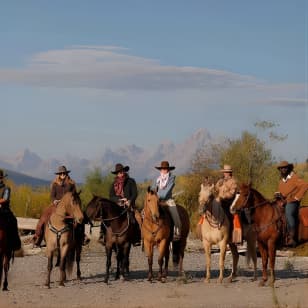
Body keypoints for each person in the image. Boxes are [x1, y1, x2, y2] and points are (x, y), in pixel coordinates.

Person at [33, 165, 90, 246]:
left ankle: (82, 236)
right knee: (44, 216)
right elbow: (52, 195)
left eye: (64, 173)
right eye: (61, 173)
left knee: (80, 215)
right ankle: (38, 236)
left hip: (69, 205)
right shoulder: (55, 184)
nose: (62, 174)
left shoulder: (71, 183)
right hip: (56, 205)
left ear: (66, 173)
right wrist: (55, 201)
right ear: (58, 174)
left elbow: (75, 195)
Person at [99, 163, 141, 246]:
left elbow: (135, 193)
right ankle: (102, 236)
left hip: (128, 205)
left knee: (134, 219)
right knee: (105, 217)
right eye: (118, 172)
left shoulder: (131, 181)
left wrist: (129, 200)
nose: (120, 173)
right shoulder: (114, 184)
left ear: (124, 171)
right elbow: (111, 196)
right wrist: (119, 200)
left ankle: (136, 238)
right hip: (117, 206)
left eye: (121, 171)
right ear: (116, 174)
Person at [276, 160, 308, 247]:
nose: (283, 169)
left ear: (288, 168)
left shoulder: (294, 177)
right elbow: (281, 192)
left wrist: (296, 198)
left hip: (292, 202)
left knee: (289, 212)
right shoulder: (281, 180)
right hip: (282, 202)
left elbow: (305, 185)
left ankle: (292, 238)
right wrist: (278, 195)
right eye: (281, 168)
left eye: (285, 167)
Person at [151, 161, 181, 240]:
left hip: (167, 200)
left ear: (168, 170)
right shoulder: (156, 179)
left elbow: (166, 192)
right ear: (160, 170)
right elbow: (152, 189)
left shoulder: (172, 178)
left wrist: (156, 196)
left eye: (166, 169)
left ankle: (177, 231)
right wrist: (152, 197)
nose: (164, 170)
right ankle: (144, 233)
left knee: (175, 213)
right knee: (144, 212)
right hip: (156, 201)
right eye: (162, 169)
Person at [215, 164, 240, 243]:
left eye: (226, 172)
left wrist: (223, 196)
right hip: (219, 201)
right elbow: (215, 190)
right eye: (224, 172)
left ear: (229, 173)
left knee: (228, 215)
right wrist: (217, 185)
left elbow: (232, 193)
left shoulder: (233, 182)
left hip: (228, 202)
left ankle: (229, 234)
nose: (224, 174)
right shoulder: (220, 181)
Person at [0, 169, 22, 251]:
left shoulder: (6, 188)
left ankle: (15, 243)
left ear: (2, 178)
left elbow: (5, 199)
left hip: (4, 210)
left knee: (14, 220)